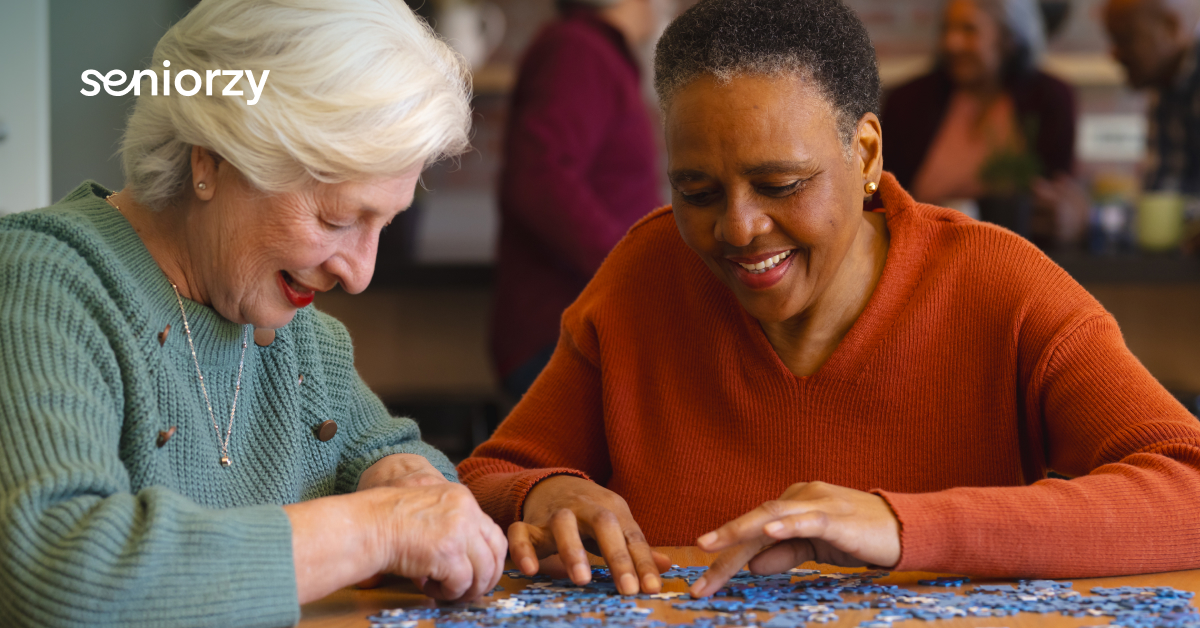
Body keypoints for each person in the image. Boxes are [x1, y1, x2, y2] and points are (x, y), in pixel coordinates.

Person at [458, 0, 1200, 600]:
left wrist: (900, 524)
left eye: (781, 185)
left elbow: (1188, 484)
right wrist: (543, 493)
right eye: (697, 191)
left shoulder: (1001, 287)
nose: (738, 228)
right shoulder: (644, 275)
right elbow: (488, 475)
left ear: (868, 155)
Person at [0, 1, 507, 625]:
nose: (360, 273)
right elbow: (58, 575)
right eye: (336, 219)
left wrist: (403, 480)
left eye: (385, 224)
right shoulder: (40, 281)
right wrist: (376, 531)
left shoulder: (306, 343)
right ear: (209, 159)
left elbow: (400, 460)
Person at [491, 0, 662, 398]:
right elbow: (540, 180)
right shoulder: (578, 51)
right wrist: (634, 271)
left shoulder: (592, 54)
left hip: (586, 331)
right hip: (566, 338)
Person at [882, 0, 1087, 243]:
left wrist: (1074, 216)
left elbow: (1059, 193)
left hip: (1019, 253)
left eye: (969, 30)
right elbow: (884, 191)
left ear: (1008, 38)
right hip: (923, 250)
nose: (952, 43)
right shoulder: (908, 100)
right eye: (947, 29)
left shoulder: (1049, 99)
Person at [1105, 0, 1200, 195]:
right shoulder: (1165, 89)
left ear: (1171, 27)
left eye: (1125, 38)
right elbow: (1164, 194)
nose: (1114, 54)